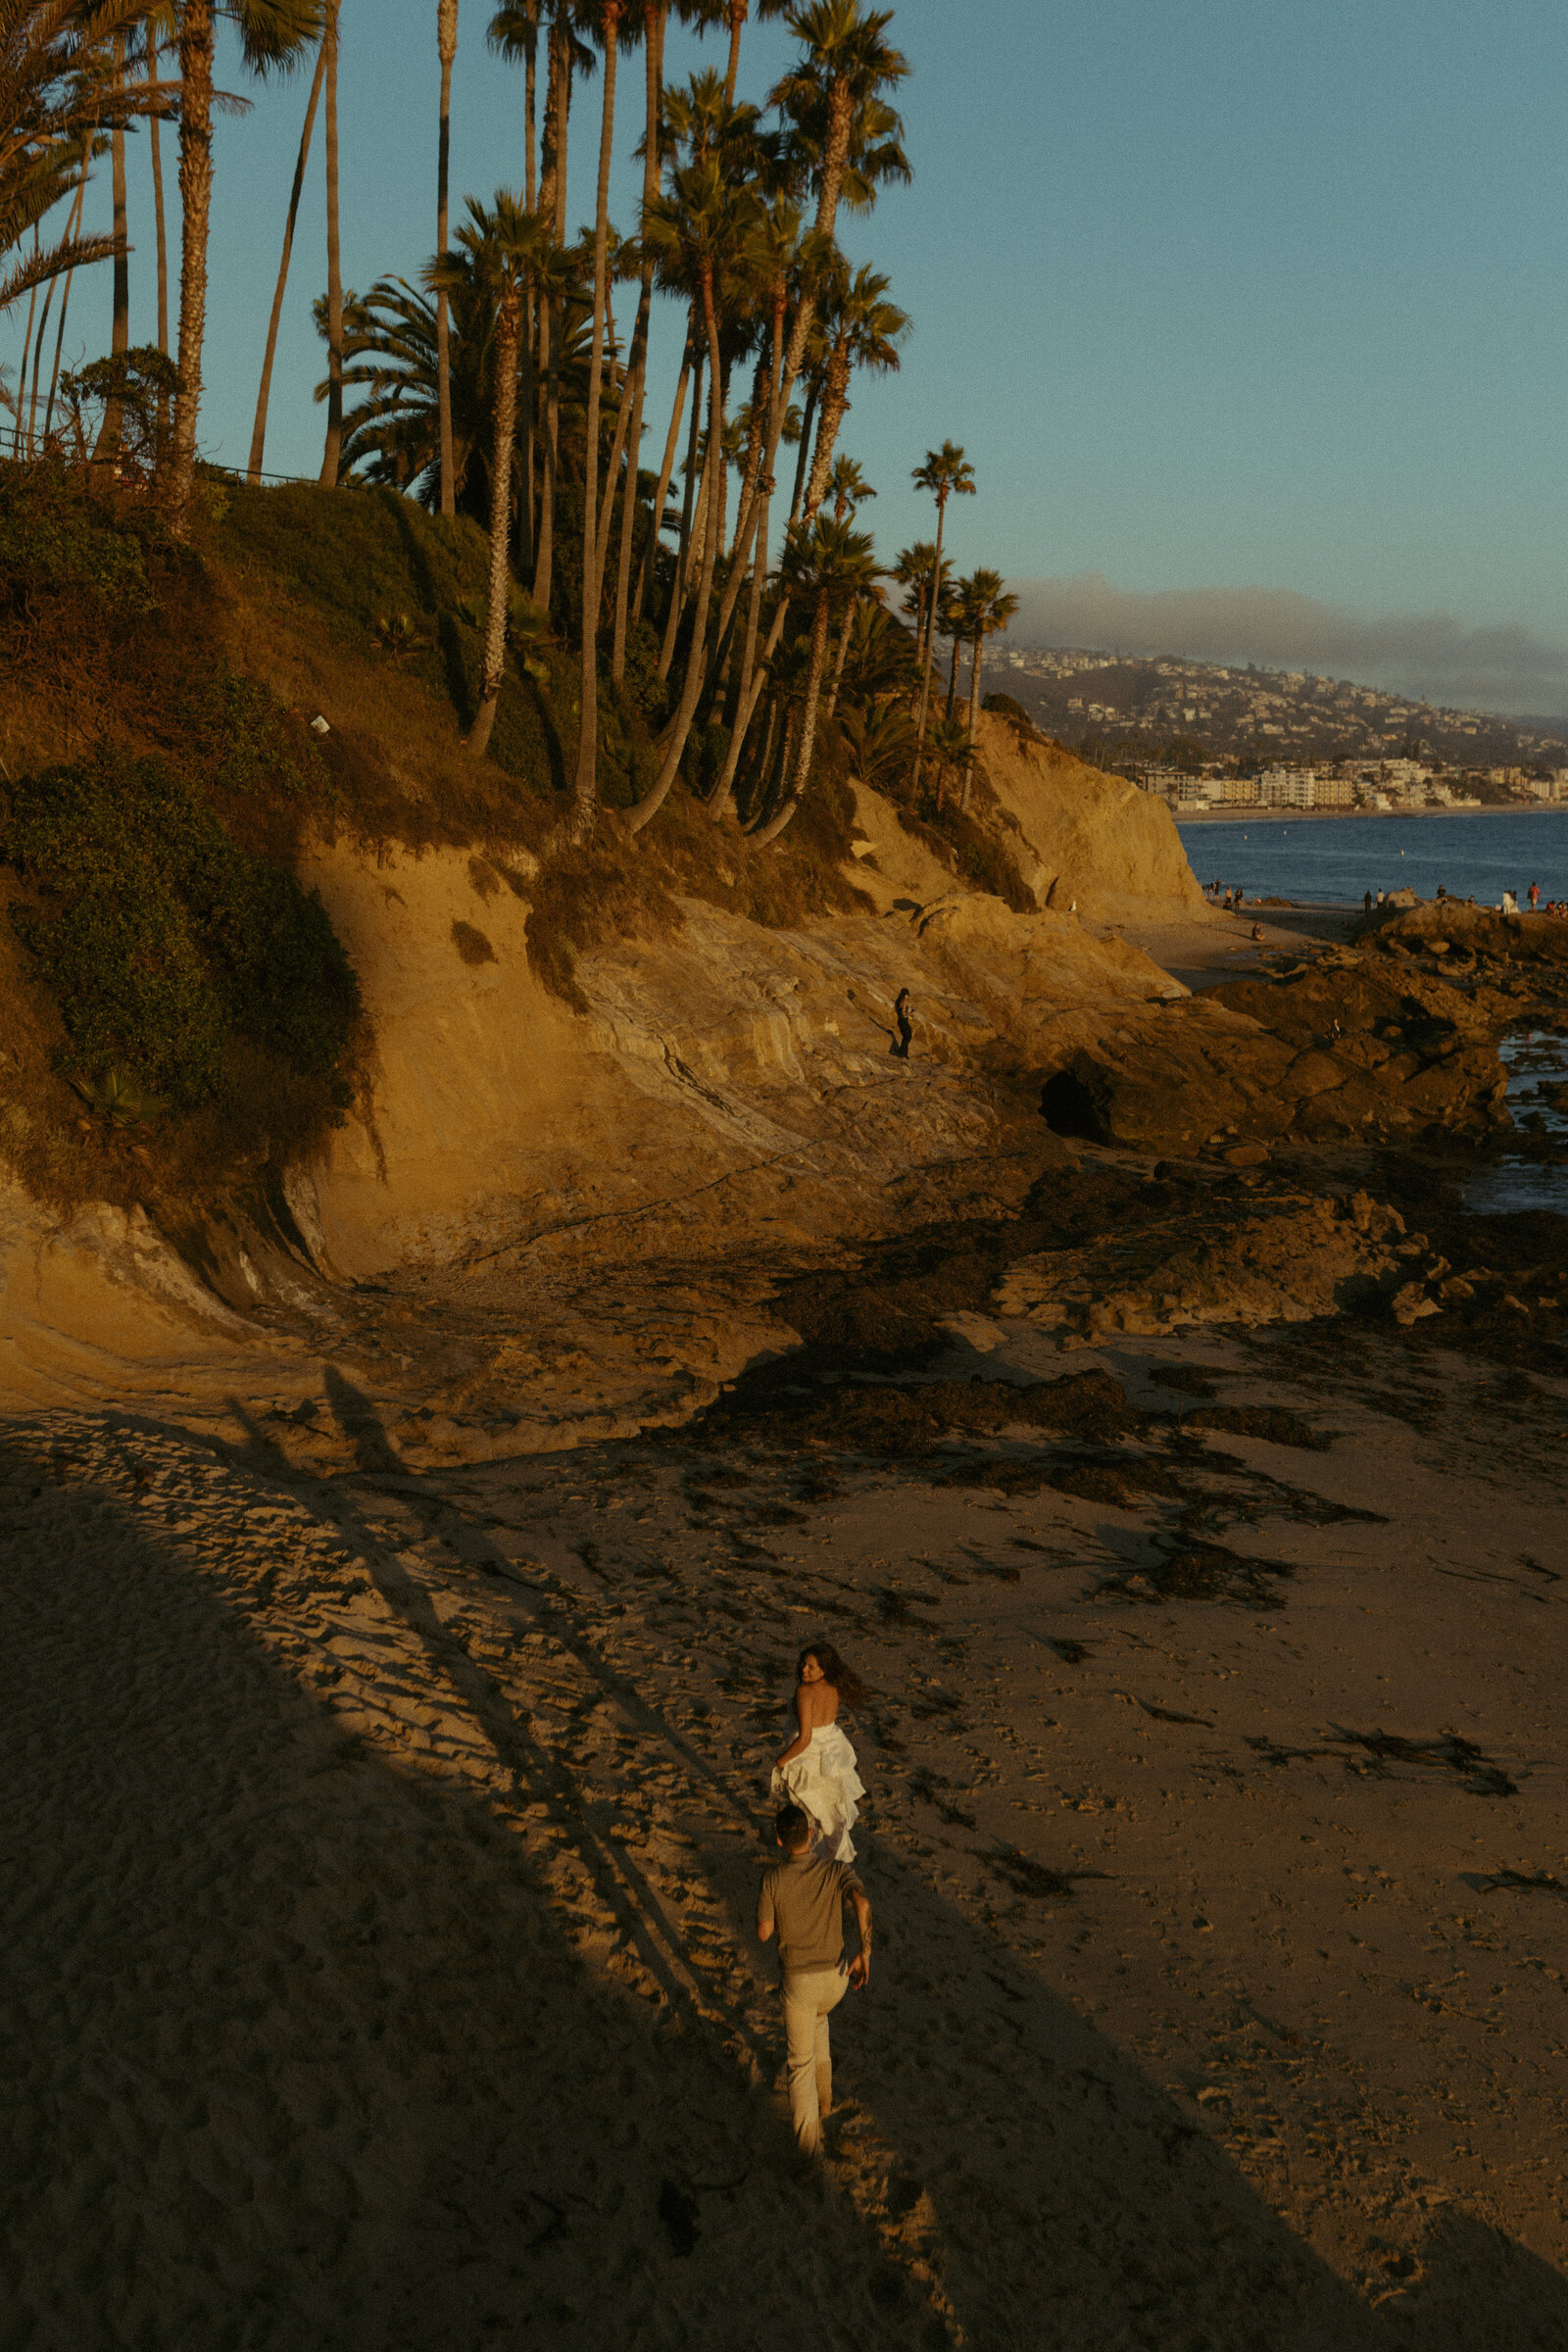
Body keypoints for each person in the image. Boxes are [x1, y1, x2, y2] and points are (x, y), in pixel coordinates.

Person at [757, 1802, 872, 2158]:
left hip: (800, 1983)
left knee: (799, 2064)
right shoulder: (836, 1870)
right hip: (836, 1979)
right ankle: (825, 2100)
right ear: (810, 1835)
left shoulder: (773, 1879)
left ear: (779, 1841)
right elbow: (862, 1903)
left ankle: (809, 2152)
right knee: (819, 2019)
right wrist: (865, 1953)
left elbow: (764, 1933)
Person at [771, 1642, 866, 1863]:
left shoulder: (804, 1692)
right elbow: (809, 1714)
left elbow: (805, 1739)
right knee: (829, 1813)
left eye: (811, 1667)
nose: (804, 1669)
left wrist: (780, 1762)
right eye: (803, 1664)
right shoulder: (833, 1687)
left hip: (809, 1758)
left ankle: (810, 1860)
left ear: (823, 1670)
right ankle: (831, 1861)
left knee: (809, 1812)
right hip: (832, 1753)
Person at [891, 988, 914, 1060]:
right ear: (905, 995)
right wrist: (910, 1014)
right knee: (908, 1037)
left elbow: (899, 1011)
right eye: (907, 995)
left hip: (900, 1021)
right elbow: (903, 1014)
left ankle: (904, 1053)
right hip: (903, 1021)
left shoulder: (898, 1000)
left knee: (906, 1037)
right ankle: (900, 1052)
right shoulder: (903, 1001)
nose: (907, 996)